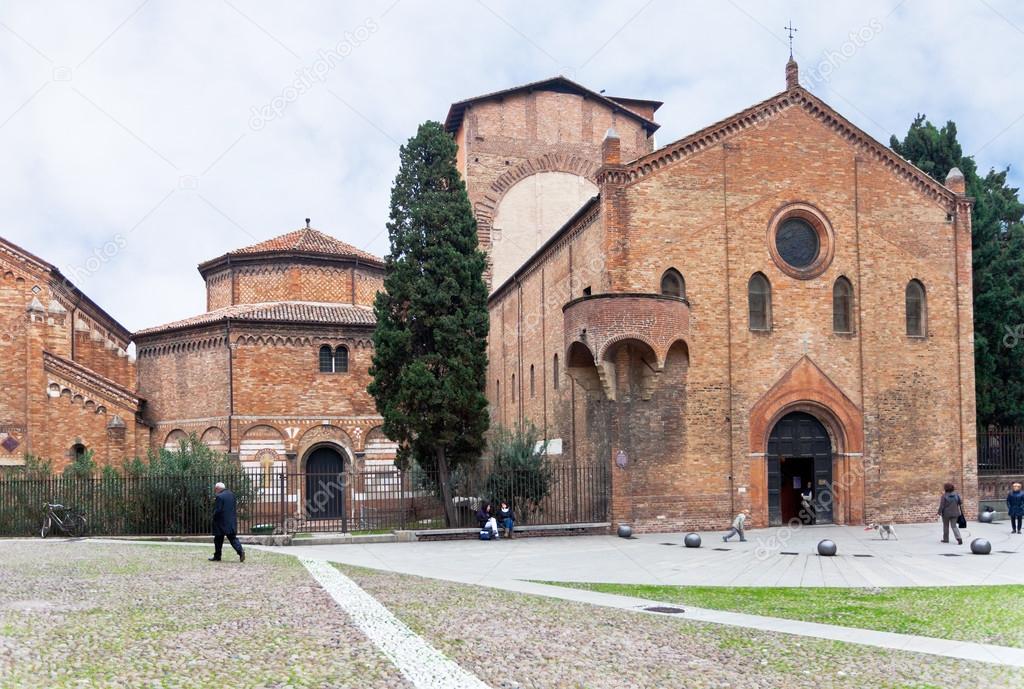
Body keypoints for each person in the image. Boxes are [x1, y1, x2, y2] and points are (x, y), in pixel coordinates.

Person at [210, 482, 245, 562]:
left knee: (218, 539)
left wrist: (213, 516)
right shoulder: (232, 495)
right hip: (231, 521)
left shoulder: (219, 496)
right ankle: (240, 551)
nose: (215, 491)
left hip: (221, 522)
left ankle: (217, 556)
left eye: (215, 489)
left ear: (218, 488)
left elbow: (218, 510)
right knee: (232, 538)